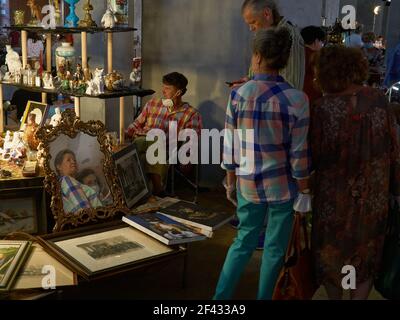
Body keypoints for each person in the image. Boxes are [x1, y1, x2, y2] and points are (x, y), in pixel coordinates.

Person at [214, 28, 311, 300]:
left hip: (247, 183)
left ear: (257, 56)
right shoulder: (298, 100)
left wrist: (230, 182)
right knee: (275, 250)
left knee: (242, 243)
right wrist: (304, 192)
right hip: (283, 187)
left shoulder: (238, 95)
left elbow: (230, 145)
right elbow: (299, 153)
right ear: (285, 59)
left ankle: (219, 299)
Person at [310, 46, 400, 300]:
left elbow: (313, 155)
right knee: (366, 254)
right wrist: (396, 190)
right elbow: (395, 150)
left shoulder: (321, 107)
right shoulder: (380, 100)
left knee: (330, 255)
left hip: (332, 196)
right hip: (374, 196)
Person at [126, 72, 202, 196]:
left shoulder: (191, 113)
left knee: (152, 149)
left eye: (167, 88)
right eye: (163, 87)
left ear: (179, 92)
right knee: (131, 148)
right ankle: (157, 191)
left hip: (165, 148)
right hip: (141, 140)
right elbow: (136, 124)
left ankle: (154, 190)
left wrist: (187, 158)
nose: (163, 91)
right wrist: (125, 135)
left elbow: (191, 140)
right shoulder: (153, 104)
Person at [233, 0, 305, 90]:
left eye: (253, 22)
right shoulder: (262, 36)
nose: (251, 28)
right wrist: (249, 81)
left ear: (267, 14)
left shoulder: (290, 37)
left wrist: (252, 88)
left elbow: (291, 87)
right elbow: (259, 74)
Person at [54, 149, 103, 214]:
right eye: (68, 160)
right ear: (59, 167)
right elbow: (84, 211)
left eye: (74, 160)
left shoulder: (68, 182)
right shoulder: (66, 179)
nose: (73, 162)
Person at [301, 26, 325, 104]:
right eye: (322, 42)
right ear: (316, 41)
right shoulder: (315, 56)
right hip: (311, 94)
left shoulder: (298, 53)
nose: (322, 45)